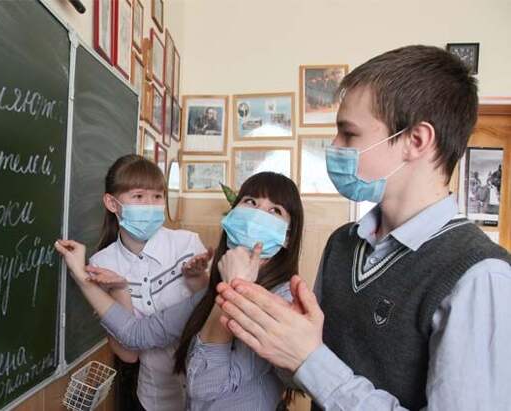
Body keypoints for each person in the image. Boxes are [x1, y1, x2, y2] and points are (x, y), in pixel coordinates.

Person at [217, 45, 511, 410]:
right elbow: (306, 375)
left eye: (349, 133)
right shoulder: (343, 243)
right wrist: (284, 342)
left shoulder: (480, 276)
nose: (334, 145)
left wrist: (311, 359)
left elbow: (316, 367)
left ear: (416, 141)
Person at [56, 172, 305, 410]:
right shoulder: (213, 292)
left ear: (287, 236)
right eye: (251, 202)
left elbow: (207, 386)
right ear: (233, 214)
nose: (258, 215)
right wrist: (83, 277)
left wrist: (234, 288)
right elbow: (137, 334)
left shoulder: (283, 300)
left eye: (275, 210)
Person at [65, 154, 213, 411]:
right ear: (112, 203)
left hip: (209, 392)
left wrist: (199, 280)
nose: (150, 205)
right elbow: (128, 353)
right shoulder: (102, 264)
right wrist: (119, 290)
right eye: (139, 196)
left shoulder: (187, 244)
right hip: (155, 398)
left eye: (157, 196)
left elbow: (210, 317)